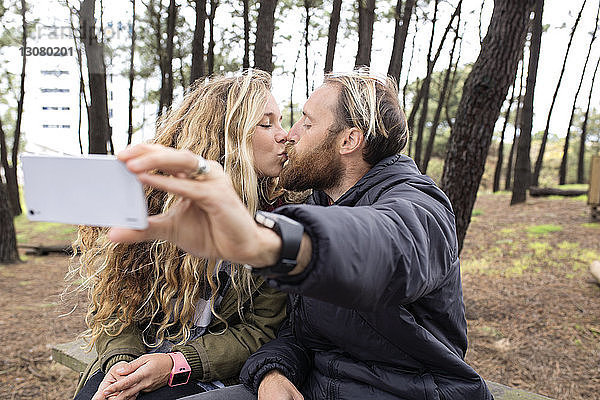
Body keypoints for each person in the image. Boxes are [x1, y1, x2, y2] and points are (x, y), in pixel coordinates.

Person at [108, 69, 493, 399]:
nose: (290, 134)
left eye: (306, 123)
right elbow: (299, 331)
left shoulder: (418, 204)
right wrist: (272, 371)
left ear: (348, 141)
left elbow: (383, 248)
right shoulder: (320, 202)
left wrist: (269, 241)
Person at [72, 70, 291, 400]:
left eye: (281, 121)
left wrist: (175, 363)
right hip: (137, 356)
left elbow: (259, 331)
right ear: (227, 136)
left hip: (207, 373)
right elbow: (116, 309)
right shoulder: (153, 200)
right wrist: (121, 363)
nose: (284, 134)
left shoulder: (279, 217)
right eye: (266, 123)